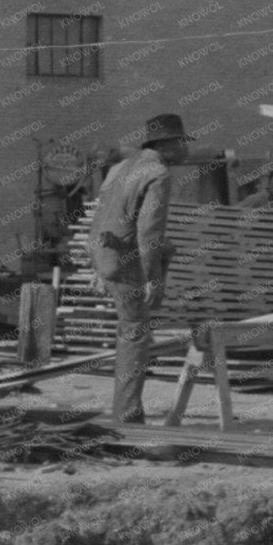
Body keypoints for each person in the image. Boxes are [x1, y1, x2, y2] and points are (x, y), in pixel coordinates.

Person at [86, 113, 189, 424]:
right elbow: (148, 233)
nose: (185, 148)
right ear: (167, 143)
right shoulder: (158, 173)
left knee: (130, 333)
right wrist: (154, 279)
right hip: (128, 262)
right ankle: (127, 414)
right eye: (182, 141)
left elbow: (100, 217)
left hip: (107, 255)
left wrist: (97, 267)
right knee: (135, 335)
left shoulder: (120, 168)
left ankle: (128, 408)